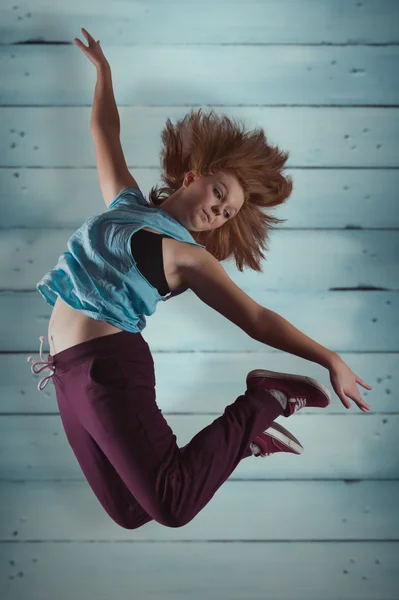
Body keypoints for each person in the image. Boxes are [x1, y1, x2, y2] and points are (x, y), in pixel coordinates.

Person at [26, 29, 372, 529]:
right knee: (129, 511)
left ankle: (267, 398)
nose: (218, 210)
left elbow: (256, 318)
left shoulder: (189, 259)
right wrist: (103, 73)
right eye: (219, 193)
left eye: (227, 212)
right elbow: (104, 133)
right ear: (192, 176)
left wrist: (329, 358)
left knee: (171, 505)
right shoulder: (126, 204)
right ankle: (245, 442)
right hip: (65, 370)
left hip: (109, 368)